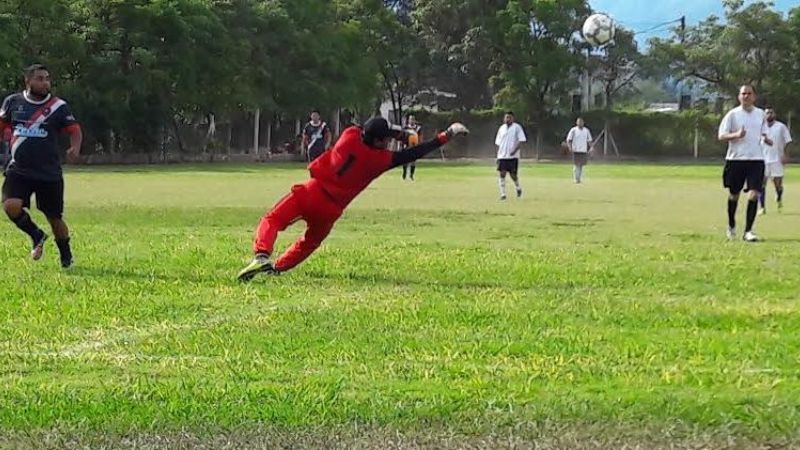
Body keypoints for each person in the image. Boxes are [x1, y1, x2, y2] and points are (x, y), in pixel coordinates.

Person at [237, 117, 469, 281]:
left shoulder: (349, 136)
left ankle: (261, 255)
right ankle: (277, 269)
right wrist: (445, 135)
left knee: (273, 220)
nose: (388, 142)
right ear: (378, 141)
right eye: (385, 139)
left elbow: (367, 129)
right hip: (332, 209)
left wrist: (398, 133)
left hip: (312, 191)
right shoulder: (381, 161)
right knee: (309, 242)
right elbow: (414, 152)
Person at [0, 64, 82, 267]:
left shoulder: (58, 106)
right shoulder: (13, 102)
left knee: (55, 218)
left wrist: (75, 148)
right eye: (40, 78)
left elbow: (75, 130)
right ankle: (37, 235)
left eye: (47, 78)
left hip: (48, 172)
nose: (45, 82)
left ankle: (66, 254)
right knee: (10, 206)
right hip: (18, 169)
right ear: (28, 81)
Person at [718, 85, 767, 242]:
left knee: (754, 194)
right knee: (734, 195)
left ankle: (748, 231)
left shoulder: (761, 114)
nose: (746, 96)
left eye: (749, 93)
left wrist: (766, 138)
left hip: (756, 159)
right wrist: (736, 135)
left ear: (754, 96)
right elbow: (721, 136)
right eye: (743, 93)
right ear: (739, 96)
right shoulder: (732, 115)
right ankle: (731, 225)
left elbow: (764, 132)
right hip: (736, 159)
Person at [758, 107, 792, 214]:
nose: (769, 115)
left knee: (777, 183)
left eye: (771, 113)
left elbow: (788, 141)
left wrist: (785, 155)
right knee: (761, 183)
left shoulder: (781, 127)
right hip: (762, 158)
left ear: (774, 114)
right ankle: (762, 207)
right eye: (767, 113)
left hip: (777, 158)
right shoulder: (760, 127)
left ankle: (779, 197)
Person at [494, 111, 526, 200]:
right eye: (506, 117)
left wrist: (514, 150)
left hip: (513, 156)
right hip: (502, 156)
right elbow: (498, 143)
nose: (507, 119)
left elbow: (521, 141)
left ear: (513, 118)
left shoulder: (517, 127)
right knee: (502, 174)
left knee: (513, 175)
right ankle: (503, 194)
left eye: (509, 117)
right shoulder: (501, 128)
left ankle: (518, 188)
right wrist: (497, 156)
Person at [566, 117, 593, 184]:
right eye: (579, 122)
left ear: (583, 123)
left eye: (581, 122)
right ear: (576, 123)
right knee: (576, 165)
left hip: (583, 150)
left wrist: (591, 147)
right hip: (575, 150)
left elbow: (589, 140)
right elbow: (569, 140)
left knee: (581, 165)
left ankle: (579, 179)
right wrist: (570, 147)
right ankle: (575, 178)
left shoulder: (586, 130)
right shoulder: (573, 130)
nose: (580, 123)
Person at [401, 114, 422, 181]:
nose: (412, 121)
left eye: (413, 119)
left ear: (414, 120)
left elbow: (420, 137)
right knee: (405, 161)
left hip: (414, 146)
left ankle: (411, 175)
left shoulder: (418, 128)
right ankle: (404, 173)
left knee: (413, 161)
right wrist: (403, 144)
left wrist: (419, 144)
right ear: (408, 120)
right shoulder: (405, 128)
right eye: (410, 119)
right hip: (407, 146)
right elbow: (403, 137)